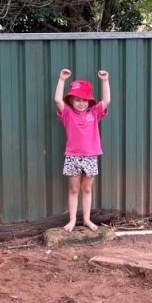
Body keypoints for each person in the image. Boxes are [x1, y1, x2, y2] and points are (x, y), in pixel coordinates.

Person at [54, 68, 111, 232]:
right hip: (72, 157)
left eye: (84, 100)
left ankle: (86, 219)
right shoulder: (67, 114)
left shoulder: (94, 113)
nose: (81, 103)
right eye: (77, 100)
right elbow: (58, 99)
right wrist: (61, 79)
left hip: (90, 157)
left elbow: (106, 101)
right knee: (74, 189)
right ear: (71, 101)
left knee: (87, 188)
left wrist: (105, 81)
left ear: (89, 102)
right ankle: (72, 220)